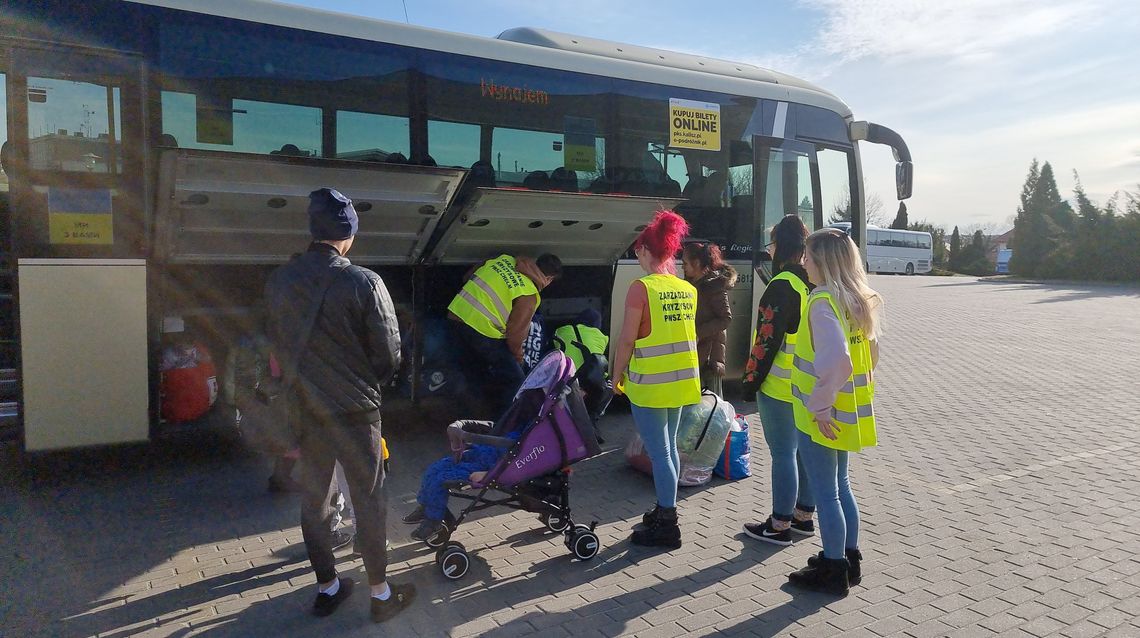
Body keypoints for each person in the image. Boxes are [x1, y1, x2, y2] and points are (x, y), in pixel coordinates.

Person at [264, 187, 414, 622]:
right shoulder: (364, 281)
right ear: (347, 234)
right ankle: (381, 595)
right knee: (369, 500)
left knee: (315, 500)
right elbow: (389, 354)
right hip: (356, 412)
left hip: (307, 412)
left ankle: (328, 587)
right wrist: (366, 383)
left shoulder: (280, 280)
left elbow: (277, 342)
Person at [786, 228, 882, 596]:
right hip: (846, 410)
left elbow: (837, 359)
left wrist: (821, 408)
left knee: (826, 493)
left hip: (822, 417)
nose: (803, 262)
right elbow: (870, 356)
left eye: (808, 256)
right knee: (841, 487)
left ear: (823, 261)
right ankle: (848, 558)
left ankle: (832, 567)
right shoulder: (858, 298)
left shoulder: (822, 302)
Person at [610, 210, 701, 549]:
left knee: (660, 451)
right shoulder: (685, 288)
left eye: (637, 250)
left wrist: (615, 378)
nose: (636, 255)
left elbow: (627, 341)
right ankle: (666, 510)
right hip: (681, 382)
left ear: (647, 251)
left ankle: (667, 521)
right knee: (670, 448)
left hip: (650, 385)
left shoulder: (641, 289)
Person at [740, 215, 817, 546]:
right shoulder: (811, 284)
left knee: (784, 454)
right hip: (805, 384)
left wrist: (749, 382)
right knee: (804, 454)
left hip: (778, 386)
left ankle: (779, 524)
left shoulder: (781, 285)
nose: (769, 253)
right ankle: (803, 517)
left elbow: (765, 341)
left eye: (771, 246)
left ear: (780, 247)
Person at [447, 252, 562, 415]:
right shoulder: (529, 294)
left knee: (471, 371)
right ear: (549, 279)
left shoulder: (505, 260)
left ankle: (465, 416)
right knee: (515, 379)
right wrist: (518, 358)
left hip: (456, 316)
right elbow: (515, 334)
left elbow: (468, 277)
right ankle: (503, 425)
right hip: (481, 331)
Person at [401, 419, 522, 541]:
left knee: (441, 479)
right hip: (477, 454)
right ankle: (426, 507)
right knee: (433, 469)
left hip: (487, 467)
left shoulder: (531, 435)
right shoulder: (520, 415)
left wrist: (489, 474)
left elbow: (519, 461)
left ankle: (434, 520)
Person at [681, 241, 737, 397]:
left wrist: (698, 332)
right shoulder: (691, 285)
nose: (682, 267)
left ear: (697, 263)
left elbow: (726, 319)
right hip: (696, 354)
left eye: (685, 263)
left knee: (711, 408)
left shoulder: (714, 286)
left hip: (710, 360)